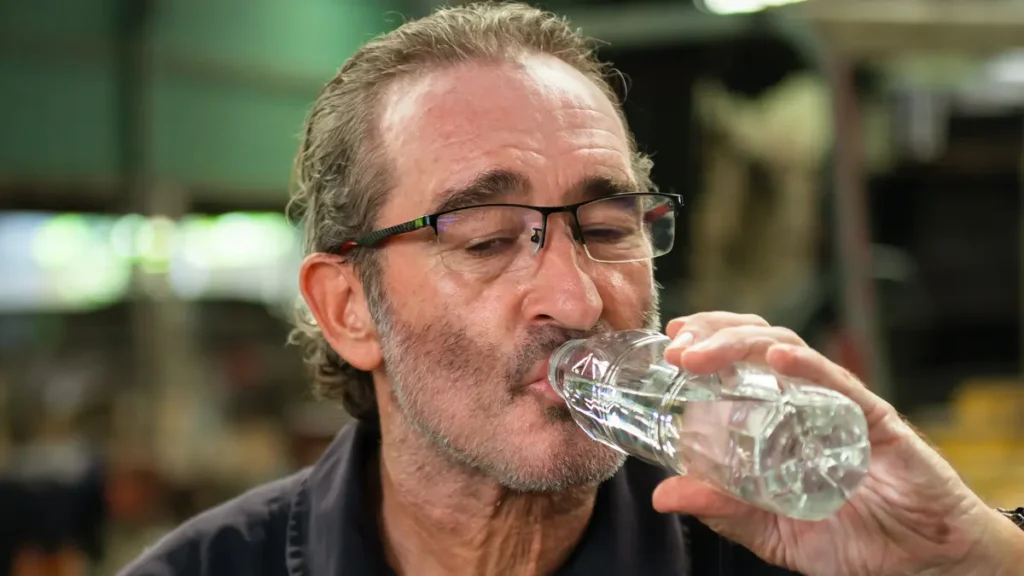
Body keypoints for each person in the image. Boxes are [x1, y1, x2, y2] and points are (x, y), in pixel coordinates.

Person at [119, 3, 1024, 575]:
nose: (580, 299)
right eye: (484, 239)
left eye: (605, 229)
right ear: (349, 308)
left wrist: (970, 557)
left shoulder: (791, 548)